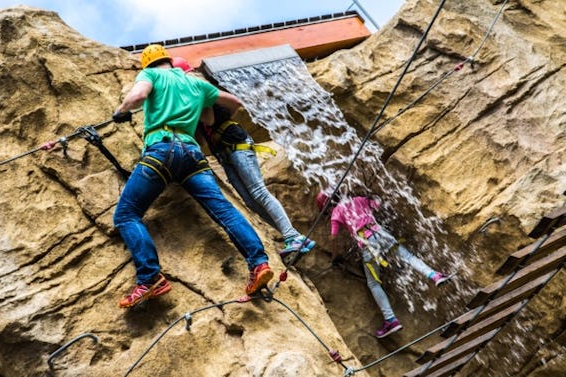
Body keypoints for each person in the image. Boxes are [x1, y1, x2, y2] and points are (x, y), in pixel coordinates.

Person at [112, 44, 273, 308]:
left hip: (162, 149)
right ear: (168, 61)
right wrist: (201, 108)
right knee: (224, 210)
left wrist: (120, 112)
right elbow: (233, 102)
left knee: (126, 214)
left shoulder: (151, 75)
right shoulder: (195, 83)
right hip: (192, 154)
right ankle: (259, 264)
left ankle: (150, 277)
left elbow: (138, 97)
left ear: (148, 64)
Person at [316, 190, 453, 338]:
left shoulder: (336, 212)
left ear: (328, 206)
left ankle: (391, 320)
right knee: (408, 256)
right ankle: (435, 275)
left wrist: (335, 256)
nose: (328, 213)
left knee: (373, 283)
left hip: (369, 245)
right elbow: (378, 203)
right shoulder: (358, 199)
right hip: (382, 234)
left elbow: (333, 237)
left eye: (326, 211)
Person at [197, 103, 316, 265]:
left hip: (237, 143)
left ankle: (292, 237)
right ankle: (295, 237)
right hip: (223, 154)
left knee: (258, 192)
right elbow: (201, 140)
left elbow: (230, 104)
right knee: (251, 202)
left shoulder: (200, 92)